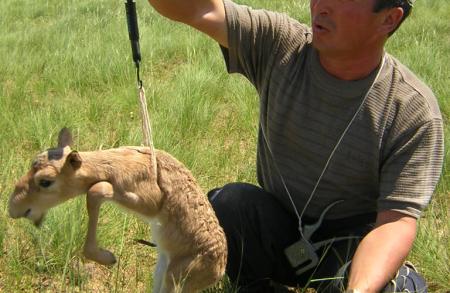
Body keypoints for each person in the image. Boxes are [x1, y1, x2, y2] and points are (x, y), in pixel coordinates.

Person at [146, 0, 444, 292]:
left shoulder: (411, 110)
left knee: (396, 288)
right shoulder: (281, 45)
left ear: (389, 19)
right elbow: (199, 9)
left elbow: (395, 223)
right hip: (276, 226)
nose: (320, 5)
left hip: (348, 246)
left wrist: (359, 289)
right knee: (230, 205)